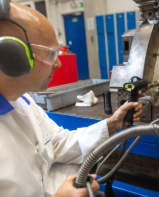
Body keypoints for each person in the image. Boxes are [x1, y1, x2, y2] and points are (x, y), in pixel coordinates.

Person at [0, 1, 144, 197]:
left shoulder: (22, 100)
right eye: (50, 54)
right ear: (10, 56)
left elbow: (57, 142)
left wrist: (112, 124)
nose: (58, 63)